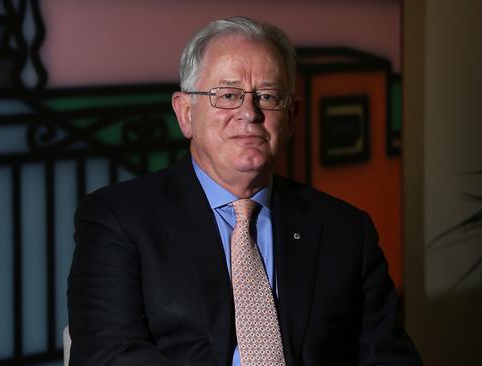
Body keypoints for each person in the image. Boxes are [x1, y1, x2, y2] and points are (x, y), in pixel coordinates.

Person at [68, 16, 422, 366]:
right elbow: (109, 354)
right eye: (227, 95)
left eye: (267, 96)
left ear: (292, 117)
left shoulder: (345, 231)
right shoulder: (118, 219)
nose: (249, 113)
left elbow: (389, 357)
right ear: (185, 113)